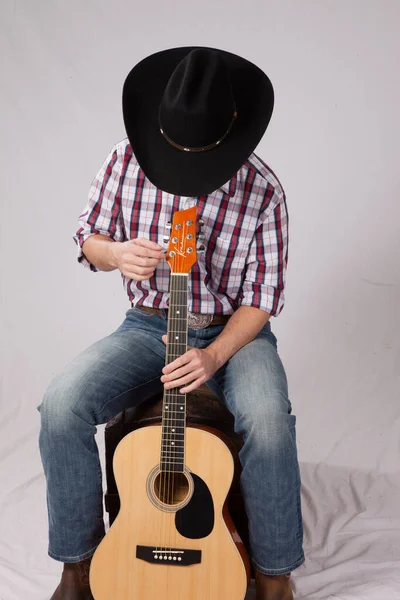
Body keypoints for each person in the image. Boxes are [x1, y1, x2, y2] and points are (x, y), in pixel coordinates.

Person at [37, 46, 305, 600]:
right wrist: (115, 255)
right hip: (148, 324)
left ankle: (276, 574)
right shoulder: (123, 159)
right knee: (60, 405)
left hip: (234, 331)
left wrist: (214, 355)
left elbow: (262, 298)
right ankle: (78, 564)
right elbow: (87, 237)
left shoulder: (263, 190)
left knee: (269, 420)